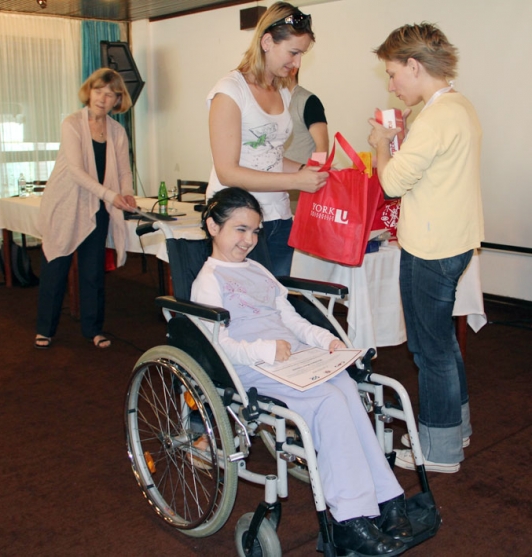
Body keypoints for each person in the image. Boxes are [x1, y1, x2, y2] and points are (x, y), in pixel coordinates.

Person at [192, 187, 412, 557]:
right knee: (328, 402)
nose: (249, 240)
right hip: (253, 366)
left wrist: (327, 341)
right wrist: (263, 349)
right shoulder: (208, 280)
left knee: (345, 387)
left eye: (255, 231)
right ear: (214, 226)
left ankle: (386, 497)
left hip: (293, 358)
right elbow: (218, 343)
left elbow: (291, 319)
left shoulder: (259, 270)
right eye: (240, 230)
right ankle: (349, 519)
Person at [367, 23, 484, 473]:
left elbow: (394, 183)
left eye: (394, 74)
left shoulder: (435, 117)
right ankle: (456, 428)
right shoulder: (457, 107)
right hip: (453, 241)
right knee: (444, 345)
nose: (392, 85)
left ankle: (439, 451)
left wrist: (380, 146)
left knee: (429, 350)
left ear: (415, 67)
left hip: (432, 246)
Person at [206, 1, 329, 277]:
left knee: (277, 299)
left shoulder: (282, 92)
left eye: (302, 55)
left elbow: (268, 156)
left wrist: (302, 171)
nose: (297, 63)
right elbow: (228, 172)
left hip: (277, 214)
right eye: (293, 52)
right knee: (244, 305)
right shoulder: (230, 91)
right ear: (267, 42)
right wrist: (297, 182)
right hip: (238, 219)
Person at [34, 68, 136, 350]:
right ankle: (45, 328)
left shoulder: (117, 131)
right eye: (98, 91)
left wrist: (125, 193)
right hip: (66, 203)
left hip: (98, 206)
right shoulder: (71, 124)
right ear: (88, 92)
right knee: (56, 267)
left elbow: (125, 171)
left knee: (92, 272)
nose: (103, 99)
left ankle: (93, 329)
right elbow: (78, 172)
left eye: (110, 94)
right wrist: (111, 194)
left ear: (118, 100)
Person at [284, 67, 329, 164]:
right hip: (276, 176)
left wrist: (315, 173)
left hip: (302, 176)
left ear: (293, 70)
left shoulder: (309, 101)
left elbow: (322, 146)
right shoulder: (275, 100)